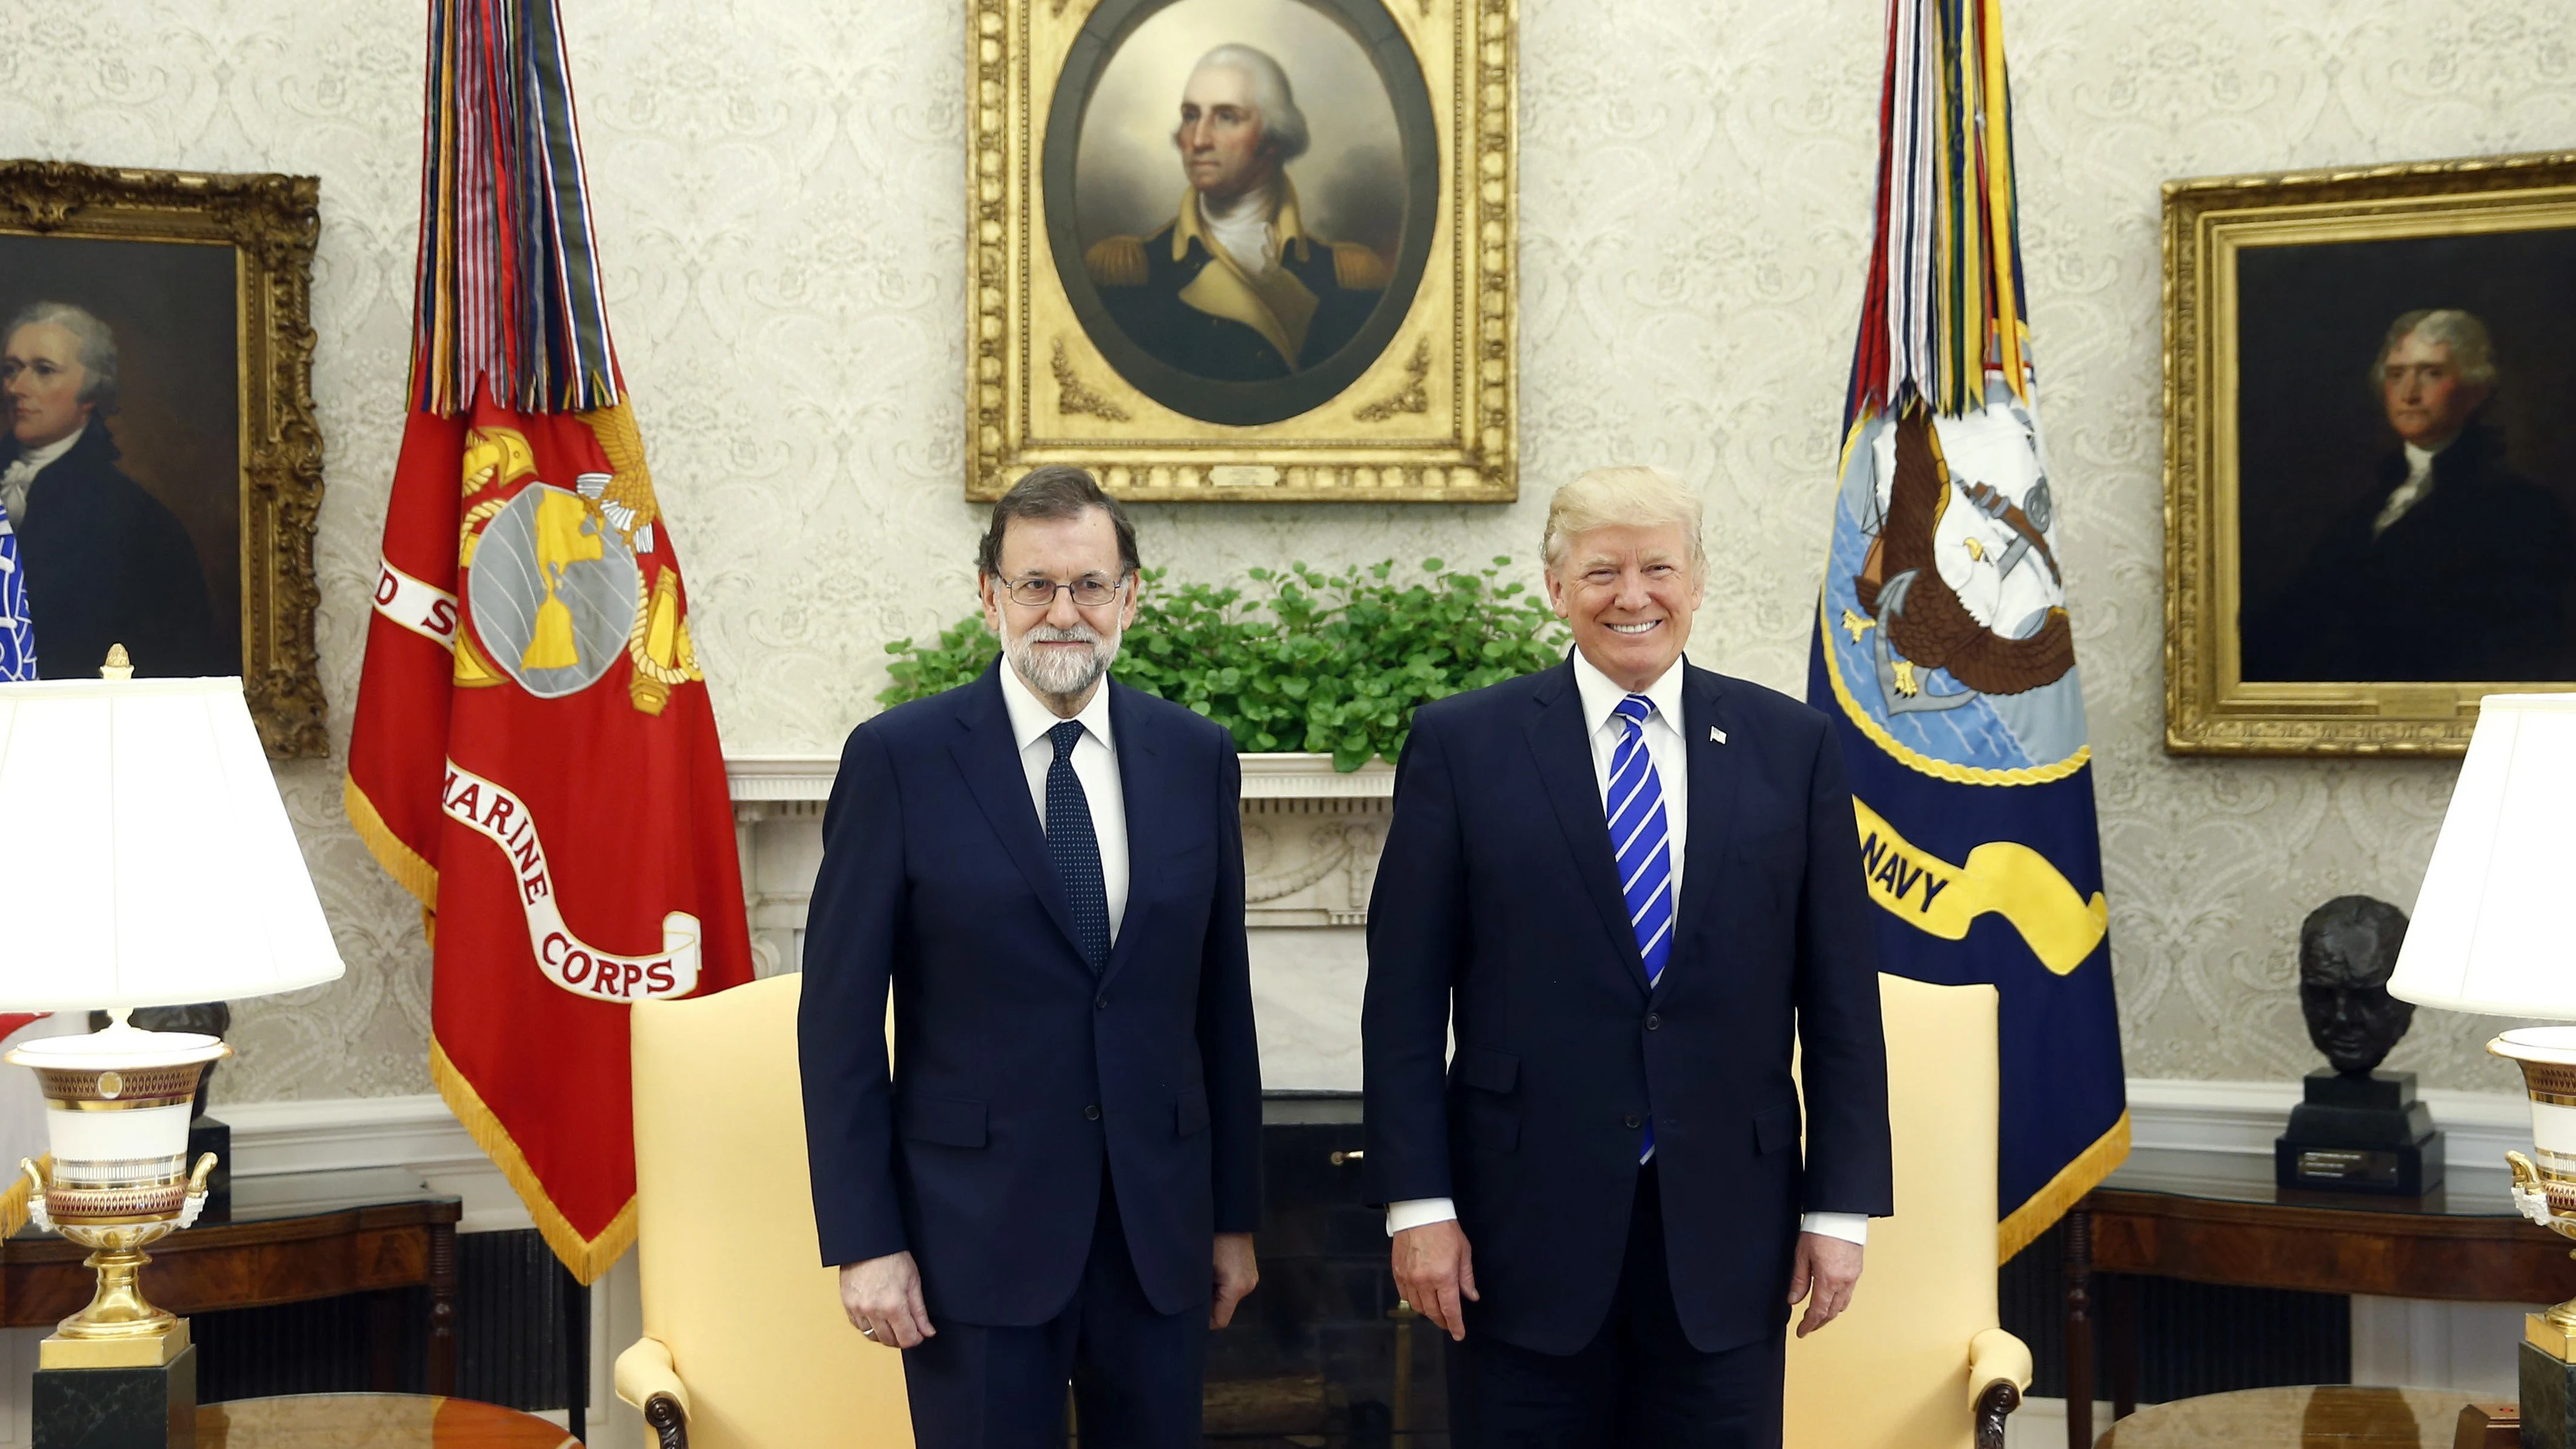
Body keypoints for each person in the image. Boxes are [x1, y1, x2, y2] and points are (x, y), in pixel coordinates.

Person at [1362, 467, 1892, 1448]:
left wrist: (1842, 1210)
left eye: (1658, 566)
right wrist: (1417, 1206)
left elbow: (1840, 1005)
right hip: (1514, 1243)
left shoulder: (1794, 746)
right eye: (1602, 570)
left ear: (1697, 582)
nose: (1633, 595)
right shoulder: (1460, 746)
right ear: (1556, 588)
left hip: (1732, 1241)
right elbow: (1399, 1006)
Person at [799, 466, 1263, 1448]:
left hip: (1157, 1235)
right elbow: (838, 1022)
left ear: (1130, 596)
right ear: (989, 596)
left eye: (1089, 585)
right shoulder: (900, 760)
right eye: (1035, 585)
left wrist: (1232, 1217)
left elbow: (1220, 1006)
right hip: (969, 1237)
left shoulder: (1196, 756)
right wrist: (866, 1240)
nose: (1064, 612)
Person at [2243, 308, 2574, 682]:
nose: (2409, 393)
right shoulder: (2359, 516)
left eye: (2431, 373)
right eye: (2396, 375)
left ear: (2475, 390)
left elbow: (2522, 655)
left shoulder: (2524, 512)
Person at [1084, 44, 1390, 381]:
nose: (1198, 139)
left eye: (1226, 117)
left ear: (1273, 138)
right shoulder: (1130, 273)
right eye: (1190, 116)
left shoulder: (1345, 277)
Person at [0, 301, 222, 681]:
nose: (16, 388)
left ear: (91, 393)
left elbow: (178, 668)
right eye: (11, 369)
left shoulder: (141, 524)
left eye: (43, 370)